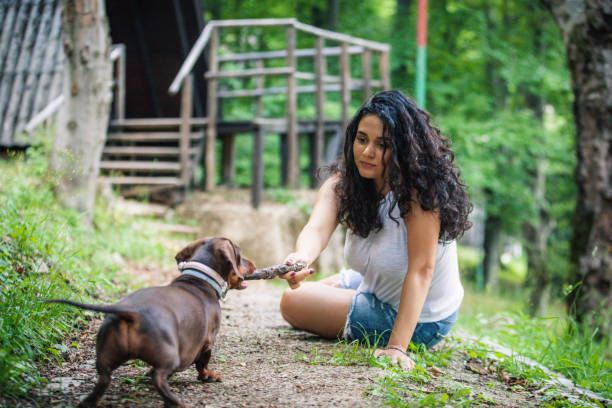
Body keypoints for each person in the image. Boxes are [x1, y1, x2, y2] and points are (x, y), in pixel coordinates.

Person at [279, 90, 473, 370]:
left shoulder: (420, 194)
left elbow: (422, 269)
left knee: (293, 301)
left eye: (383, 144)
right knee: (308, 294)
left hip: (425, 318)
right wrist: (300, 258)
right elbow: (316, 230)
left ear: (404, 148)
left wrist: (396, 347)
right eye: (361, 139)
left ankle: (383, 321)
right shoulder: (344, 184)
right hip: (379, 285)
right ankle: (356, 301)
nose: (367, 152)